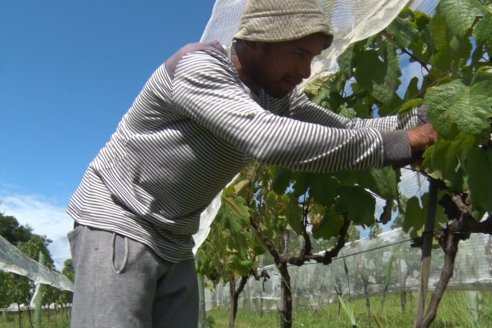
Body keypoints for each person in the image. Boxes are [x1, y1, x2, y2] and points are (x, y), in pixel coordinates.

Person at [67, 0, 437, 327]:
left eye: (310, 57)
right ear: (258, 40)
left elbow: (347, 128)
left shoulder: (276, 96)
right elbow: (269, 137)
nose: (307, 71)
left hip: (175, 238)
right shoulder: (199, 68)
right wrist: (402, 145)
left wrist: (423, 119)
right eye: (298, 54)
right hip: (119, 220)